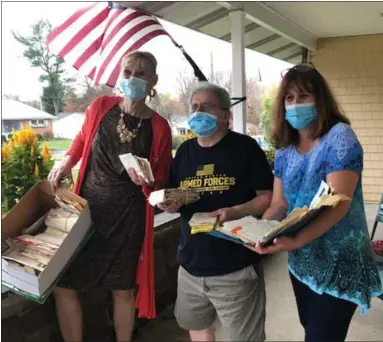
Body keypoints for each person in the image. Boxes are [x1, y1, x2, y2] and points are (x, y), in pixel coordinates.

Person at [249, 63, 382, 342]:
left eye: (304, 96)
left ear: (319, 101)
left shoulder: (339, 137)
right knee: (311, 328)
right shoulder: (284, 150)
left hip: (339, 263)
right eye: (289, 98)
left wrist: (296, 240)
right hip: (301, 263)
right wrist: (256, 231)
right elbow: (279, 204)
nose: (295, 104)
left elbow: (339, 204)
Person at [48, 51, 173, 342]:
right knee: (64, 285)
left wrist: (147, 181)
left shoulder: (159, 127)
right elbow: (81, 140)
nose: (132, 78)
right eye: (127, 71)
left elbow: (162, 179)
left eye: (140, 73)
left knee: (123, 289)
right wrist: (67, 161)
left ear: (152, 80)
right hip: (87, 215)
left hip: (128, 220)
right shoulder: (101, 106)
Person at [159, 82, 274, 341]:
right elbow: (178, 195)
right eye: (194, 107)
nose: (198, 111)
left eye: (207, 106)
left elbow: (267, 199)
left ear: (225, 114)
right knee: (197, 326)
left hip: (235, 267)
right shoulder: (185, 152)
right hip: (190, 264)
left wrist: (234, 211)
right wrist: (171, 203)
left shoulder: (246, 149)